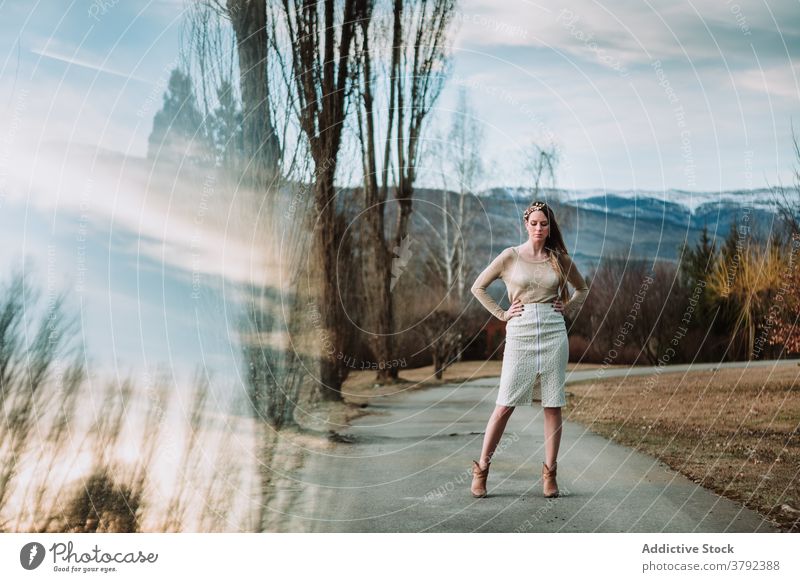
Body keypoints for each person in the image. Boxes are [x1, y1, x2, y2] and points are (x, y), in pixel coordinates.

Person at [469, 201, 589, 498]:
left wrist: (568, 307)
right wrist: (502, 314)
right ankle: (481, 469)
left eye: (544, 224)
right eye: (534, 223)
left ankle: (550, 474)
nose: (539, 228)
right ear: (526, 224)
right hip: (520, 333)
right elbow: (478, 287)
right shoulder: (510, 256)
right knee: (505, 404)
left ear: (550, 228)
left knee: (552, 403)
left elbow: (582, 289)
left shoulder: (557, 259)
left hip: (552, 332)